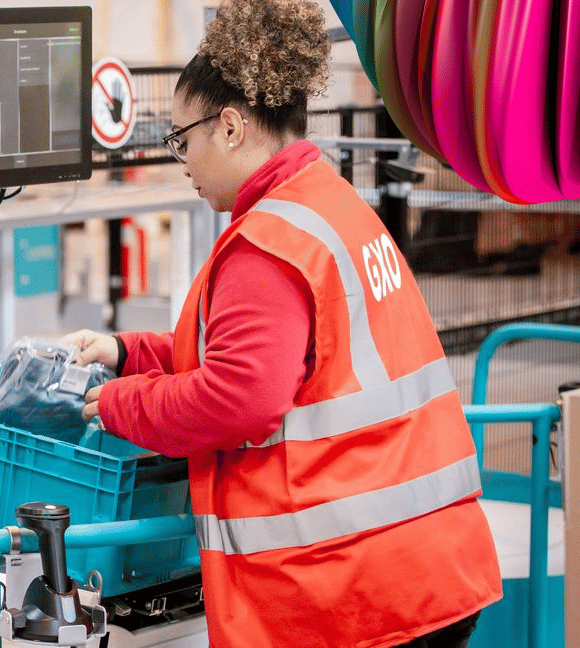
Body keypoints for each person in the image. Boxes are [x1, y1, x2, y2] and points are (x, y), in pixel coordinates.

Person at [61, 0, 502, 646]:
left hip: (355, 590)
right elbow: (269, 351)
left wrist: (121, 402)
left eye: (182, 139)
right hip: (425, 563)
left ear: (231, 128)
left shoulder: (267, 242)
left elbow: (240, 398)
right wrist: (127, 352)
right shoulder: (328, 204)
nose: (181, 159)